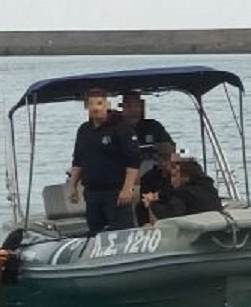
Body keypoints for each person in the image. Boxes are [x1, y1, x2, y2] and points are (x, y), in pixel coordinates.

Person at [68, 88, 141, 234]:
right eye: (92, 104)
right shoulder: (84, 130)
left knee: (121, 233)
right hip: (92, 192)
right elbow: (77, 161)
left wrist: (127, 188)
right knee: (96, 233)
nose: (96, 108)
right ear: (86, 107)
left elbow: (133, 160)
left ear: (107, 105)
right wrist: (73, 186)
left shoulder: (121, 127)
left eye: (100, 103)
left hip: (116, 192)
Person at [141, 156, 223, 223]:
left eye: (174, 176)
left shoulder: (182, 195)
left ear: (185, 177)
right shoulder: (209, 188)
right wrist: (159, 195)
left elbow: (168, 218)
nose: (171, 181)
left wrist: (151, 204)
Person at [120, 91, 173, 162]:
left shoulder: (153, 126)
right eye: (128, 104)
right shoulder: (114, 128)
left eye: (136, 104)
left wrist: (159, 147)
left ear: (141, 105)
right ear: (122, 106)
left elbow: (171, 147)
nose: (132, 108)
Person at [136, 142, 175, 226]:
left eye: (167, 159)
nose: (163, 163)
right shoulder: (147, 178)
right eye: (160, 159)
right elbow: (144, 200)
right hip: (156, 209)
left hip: (176, 208)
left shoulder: (183, 175)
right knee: (141, 205)